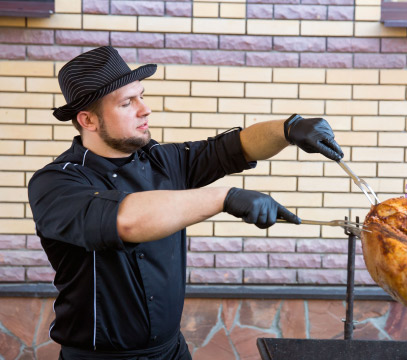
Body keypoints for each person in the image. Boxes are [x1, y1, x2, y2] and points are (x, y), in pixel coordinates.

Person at [27, 46, 344, 360]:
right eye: (127, 103)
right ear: (88, 120)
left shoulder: (163, 160)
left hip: (172, 351)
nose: (145, 109)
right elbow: (125, 219)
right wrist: (224, 198)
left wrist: (289, 129)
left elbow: (235, 147)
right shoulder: (55, 183)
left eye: (141, 95)